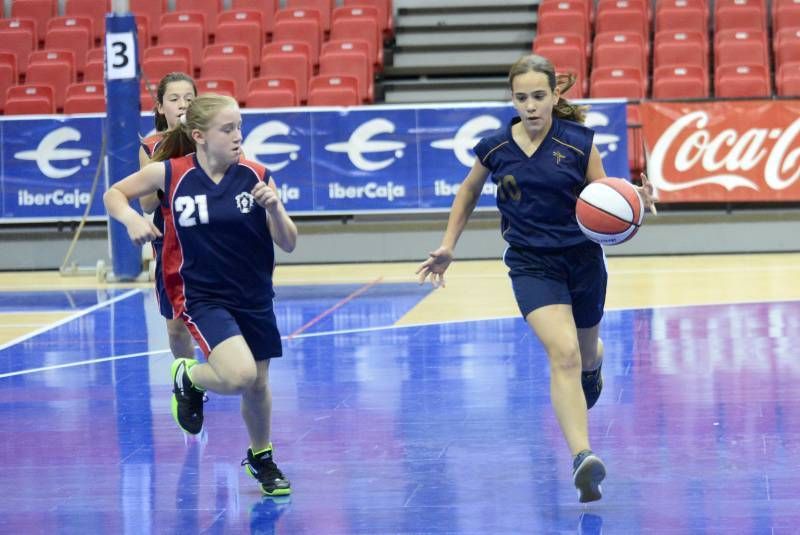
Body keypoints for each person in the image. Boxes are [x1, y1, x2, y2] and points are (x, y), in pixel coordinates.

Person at [416, 54, 656, 503]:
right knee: (562, 353)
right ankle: (584, 457)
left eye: (539, 97)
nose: (530, 106)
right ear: (512, 98)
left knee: (584, 353)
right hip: (531, 264)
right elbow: (468, 191)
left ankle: (594, 364)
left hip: (583, 260)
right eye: (522, 97)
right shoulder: (495, 148)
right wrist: (449, 245)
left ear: (555, 96)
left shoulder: (579, 143)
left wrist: (633, 203)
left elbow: (604, 197)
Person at [104, 94, 298, 497]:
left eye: (240, 127)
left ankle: (261, 457)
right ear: (200, 136)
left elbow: (289, 242)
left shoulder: (257, 174)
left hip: (254, 293)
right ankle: (189, 376)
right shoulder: (171, 173)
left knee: (258, 384)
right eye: (227, 129)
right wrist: (131, 219)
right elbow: (115, 195)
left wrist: (277, 209)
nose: (237, 136)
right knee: (241, 374)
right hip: (202, 295)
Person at [139, 72, 198, 364]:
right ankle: (187, 386)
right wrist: (165, 159)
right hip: (172, 246)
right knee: (176, 328)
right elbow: (147, 203)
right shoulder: (151, 147)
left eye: (189, 98)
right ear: (161, 107)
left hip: (212, 239)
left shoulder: (214, 138)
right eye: (174, 99)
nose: (183, 104)